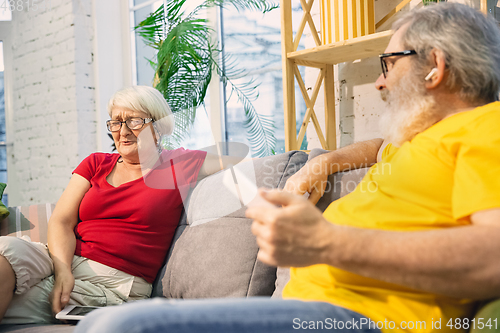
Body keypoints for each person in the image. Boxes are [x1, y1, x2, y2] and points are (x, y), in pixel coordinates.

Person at [75, 3, 500, 333]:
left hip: (360, 318)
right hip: (304, 310)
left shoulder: (486, 128)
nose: (380, 82)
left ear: (436, 68)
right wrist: (323, 164)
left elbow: (493, 259)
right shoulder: (419, 139)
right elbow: (379, 145)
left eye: (389, 63)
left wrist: (327, 243)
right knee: (95, 323)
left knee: (121, 325)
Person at [0, 85, 245, 324]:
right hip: (63, 259)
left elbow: (240, 162)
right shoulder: (96, 163)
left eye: (134, 121)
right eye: (116, 122)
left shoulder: (178, 165)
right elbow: (62, 221)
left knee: (16, 298)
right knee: (5, 251)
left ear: (157, 127)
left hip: (116, 282)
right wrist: (63, 270)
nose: (123, 131)